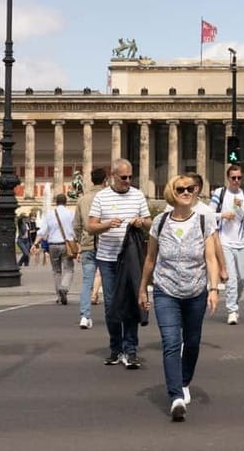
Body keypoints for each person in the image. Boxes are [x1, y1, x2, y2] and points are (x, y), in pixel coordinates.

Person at [139, 175, 220, 421]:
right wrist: (143, 288)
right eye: (180, 189)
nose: (186, 192)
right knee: (172, 342)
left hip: (196, 290)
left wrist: (214, 288)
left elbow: (210, 258)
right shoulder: (160, 223)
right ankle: (175, 396)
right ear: (171, 193)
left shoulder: (205, 220)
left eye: (190, 188)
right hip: (166, 290)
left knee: (192, 341)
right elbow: (151, 259)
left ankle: (184, 380)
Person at [88, 158, 151, 368]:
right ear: (112, 176)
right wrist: (107, 225)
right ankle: (116, 348)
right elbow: (91, 227)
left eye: (130, 177)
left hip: (132, 259)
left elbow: (150, 222)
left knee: (133, 303)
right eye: (123, 177)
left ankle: (131, 349)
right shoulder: (101, 197)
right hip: (108, 259)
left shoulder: (138, 195)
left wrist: (141, 222)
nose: (127, 181)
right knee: (112, 306)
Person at [211, 164, 244, 325]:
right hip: (224, 241)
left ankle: (234, 303)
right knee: (231, 278)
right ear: (228, 178)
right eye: (233, 178)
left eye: (239, 178)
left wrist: (241, 206)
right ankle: (232, 310)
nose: (236, 181)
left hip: (241, 241)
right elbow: (210, 215)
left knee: (243, 277)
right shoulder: (220, 193)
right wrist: (222, 215)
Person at [73, 168, 107, 329]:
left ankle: (85, 316)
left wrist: (80, 242)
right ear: (105, 180)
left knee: (87, 282)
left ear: (91, 180)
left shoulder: (82, 199)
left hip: (87, 245)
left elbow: (77, 225)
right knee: (109, 281)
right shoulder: (107, 197)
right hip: (106, 245)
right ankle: (112, 315)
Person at [33, 194, 76, 306]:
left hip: (52, 245)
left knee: (56, 271)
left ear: (56, 202)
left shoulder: (49, 214)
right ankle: (64, 288)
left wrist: (35, 243)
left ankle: (59, 296)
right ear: (66, 202)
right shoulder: (70, 214)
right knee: (69, 269)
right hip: (66, 244)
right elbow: (75, 230)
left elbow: (42, 231)